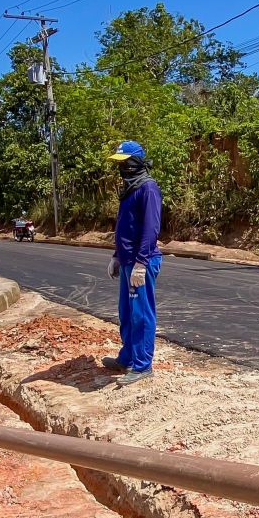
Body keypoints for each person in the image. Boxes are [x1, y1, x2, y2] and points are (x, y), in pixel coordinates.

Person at [101, 140, 162, 385]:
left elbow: (151, 228)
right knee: (126, 313)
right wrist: (117, 256)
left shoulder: (147, 188)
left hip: (141, 262)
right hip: (127, 260)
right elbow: (125, 227)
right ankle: (127, 357)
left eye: (125, 162)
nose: (122, 167)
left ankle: (142, 365)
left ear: (135, 162)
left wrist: (141, 262)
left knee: (141, 314)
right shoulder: (129, 190)